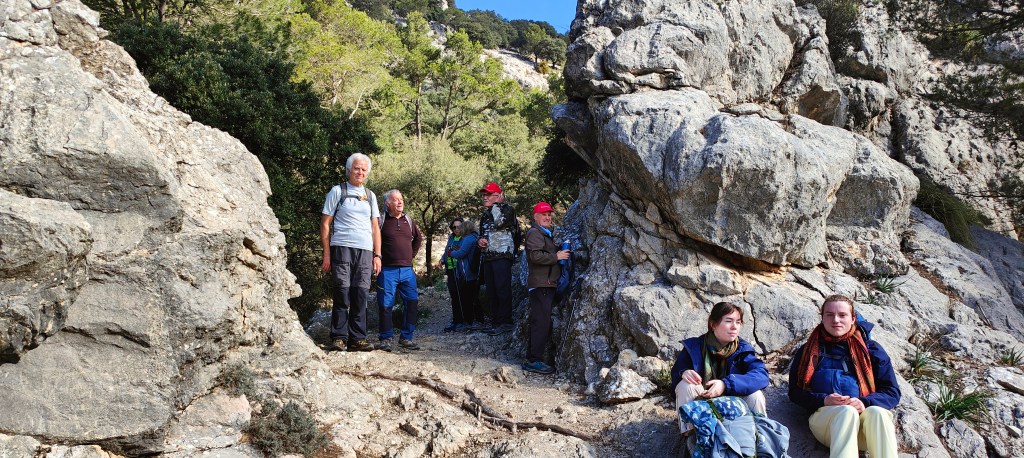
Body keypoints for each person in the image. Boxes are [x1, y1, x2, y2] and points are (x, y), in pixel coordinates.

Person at [788, 294, 900, 458]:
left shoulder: (872, 350)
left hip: (866, 428)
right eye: (830, 314)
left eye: (842, 315)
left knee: (879, 413)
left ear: (853, 318)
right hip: (827, 424)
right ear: (822, 318)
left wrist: (864, 402)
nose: (836, 320)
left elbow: (892, 392)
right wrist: (824, 400)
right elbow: (795, 392)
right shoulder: (809, 350)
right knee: (846, 412)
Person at [671, 301, 769, 433]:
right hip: (702, 401)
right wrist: (684, 372)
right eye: (729, 321)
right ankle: (692, 434)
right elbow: (676, 373)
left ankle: (760, 437)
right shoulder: (695, 346)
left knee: (755, 395)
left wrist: (725, 384)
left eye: (738, 322)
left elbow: (761, 376)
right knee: (686, 385)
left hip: (733, 403)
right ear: (713, 324)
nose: (735, 327)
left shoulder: (742, 350)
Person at [320, 153, 381, 352]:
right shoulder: (337, 191)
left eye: (364, 169)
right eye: (357, 168)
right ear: (348, 170)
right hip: (342, 248)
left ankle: (357, 339)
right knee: (342, 291)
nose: (360, 172)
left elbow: (375, 228)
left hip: (365, 251)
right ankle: (338, 337)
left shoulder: (370, 196)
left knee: (360, 293)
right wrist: (327, 254)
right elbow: (325, 223)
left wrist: (377, 255)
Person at [522, 202, 570, 374]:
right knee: (541, 323)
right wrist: (556, 256)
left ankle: (531, 358)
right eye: (543, 214)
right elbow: (535, 256)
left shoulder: (545, 234)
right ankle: (534, 360)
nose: (548, 217)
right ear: (536, 217)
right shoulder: (535, 232)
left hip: (545, 284)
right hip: (541, 284)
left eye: (549, 214)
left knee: (540, 321)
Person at [376, 190, 424, 352]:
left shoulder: (408, 220)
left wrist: (411, 255)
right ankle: (386, 338)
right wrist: (376, 258)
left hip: (407, 271)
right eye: (395, 200)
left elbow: (418, 238)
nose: (400, 202)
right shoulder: (381, 220)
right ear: (388, 203)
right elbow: (372, 239)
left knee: (412, 302)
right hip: (387, 270)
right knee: (385, 305)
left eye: (401, 199)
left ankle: (406, 338)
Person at [477, 182, 518, 336]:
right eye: (484, 194)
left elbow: (499, 222)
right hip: (488, 256)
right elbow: (482, 233)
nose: (485, 197)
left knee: (502, 289)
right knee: (491, 291)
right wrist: (480, 242)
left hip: (503, 255)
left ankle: (505, 322)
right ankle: (495, 322)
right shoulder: (484, 215)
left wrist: (496, 206)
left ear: (498, 196)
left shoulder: (508, 210)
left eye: (488, 194)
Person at [441, 218, 467, 332]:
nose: (456, 229)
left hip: (461, 270)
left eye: (459, 226)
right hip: (450, 269)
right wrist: (442, 259)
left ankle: (464, 321)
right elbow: (447, 250)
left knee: (462, 295)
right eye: (454, 227)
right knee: (454, 295)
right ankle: (456, 320)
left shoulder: (465, 238)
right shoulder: (451, 238)